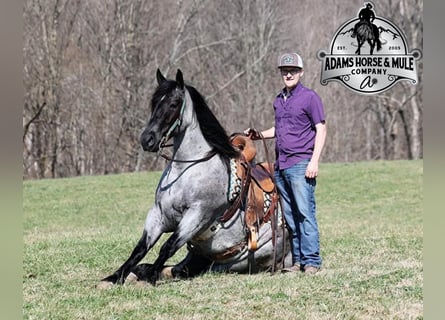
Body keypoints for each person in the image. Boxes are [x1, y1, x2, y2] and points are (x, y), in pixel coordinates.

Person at [245, 52, 326, 274]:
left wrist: (314, 161)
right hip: (281, 166)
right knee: (290, 215)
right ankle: (297, 261)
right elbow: (278, 130)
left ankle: (312, 261)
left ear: (301, 72)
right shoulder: (279, 100)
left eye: (292, 71)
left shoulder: (310, 98)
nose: (288, 74)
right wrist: (258, 135)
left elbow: (321, 128)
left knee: (305, 213)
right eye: (284, 71)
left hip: (301, 163)